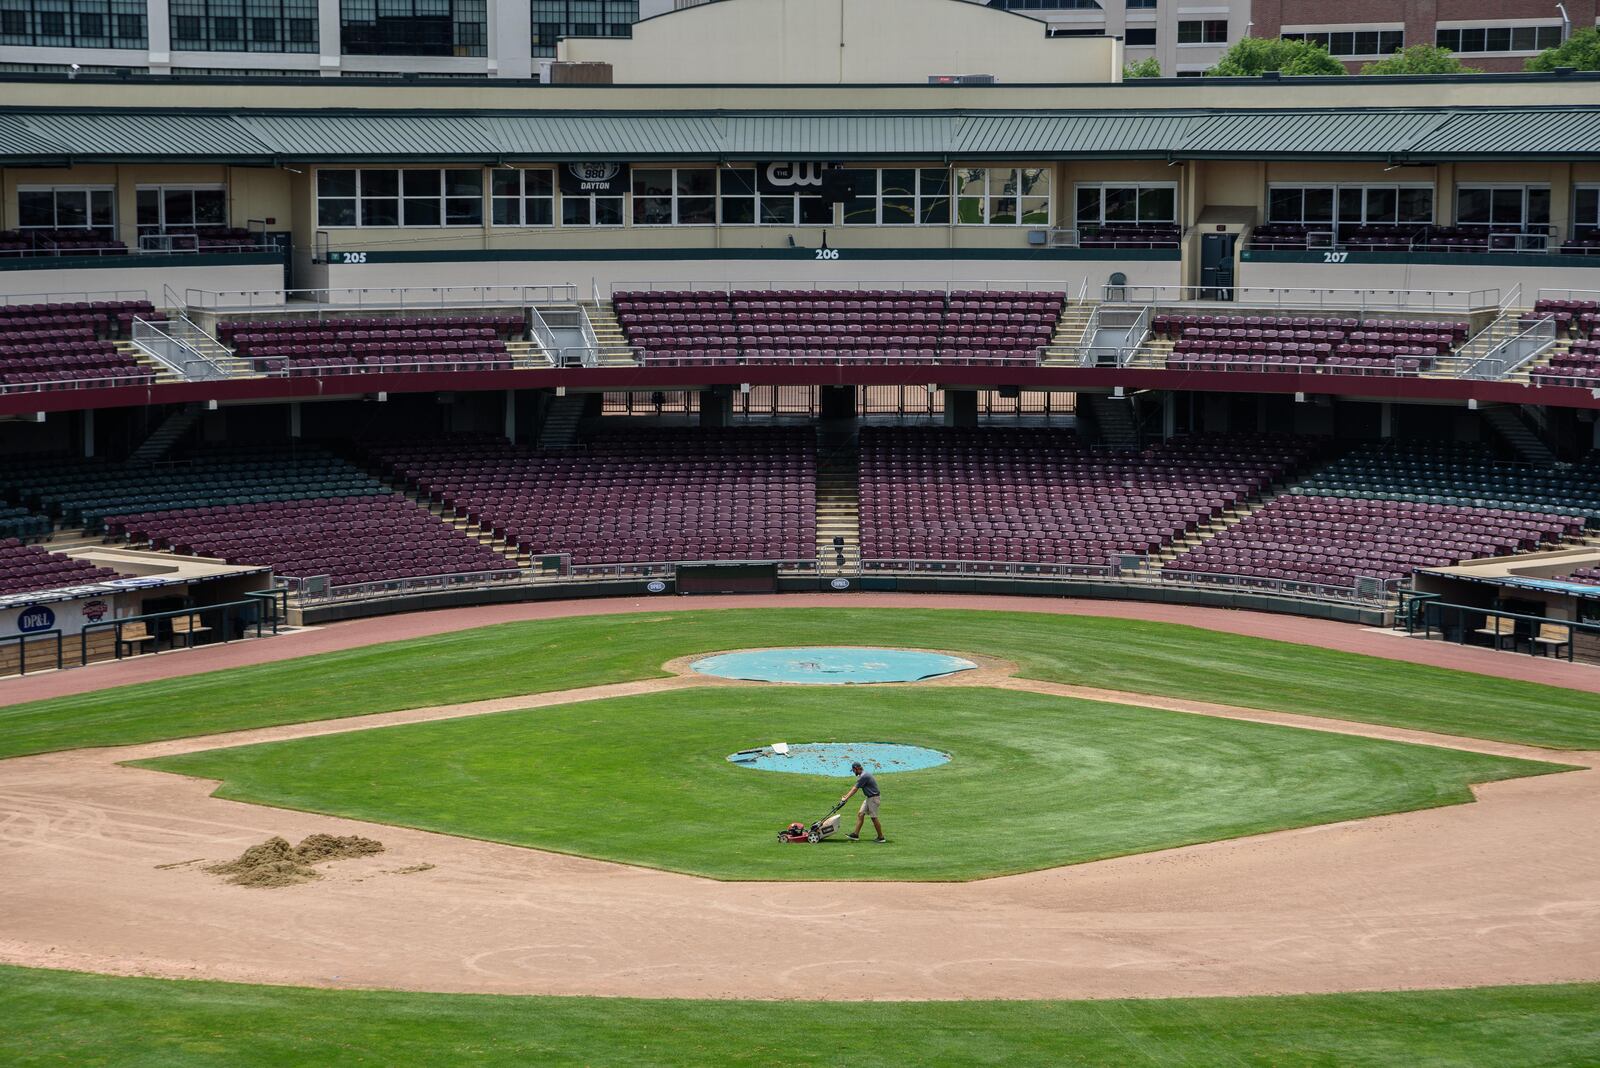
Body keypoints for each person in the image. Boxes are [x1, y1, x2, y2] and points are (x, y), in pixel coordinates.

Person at [841, 761, 885, 843]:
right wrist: (846, 796)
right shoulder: (863, 775)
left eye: (853, 770)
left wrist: (846, 798)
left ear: (856, 768)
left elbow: (855, 789)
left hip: (874, 798)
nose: (853, 772)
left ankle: (881, 837)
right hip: (869, 798)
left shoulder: (864, 776)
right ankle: (855, 834)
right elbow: (855, 788)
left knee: (874, 818)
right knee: (860, 814)